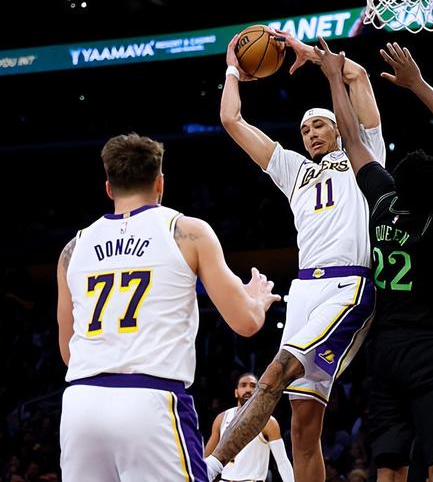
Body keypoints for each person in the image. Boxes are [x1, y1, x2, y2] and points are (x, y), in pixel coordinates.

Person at [206, 29, 385, 481]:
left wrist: (309, 54)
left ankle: (210, 467)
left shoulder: (364, 152)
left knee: (273, 374)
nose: (311, 133)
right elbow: (231, 120)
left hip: (348, 285)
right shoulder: (294, 170)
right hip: (304, 290)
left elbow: (359, 77)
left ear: (338, 127)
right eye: (305, 129)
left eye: (319, 125)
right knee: (303, 431)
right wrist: (233, 69)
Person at [57, 133, 280, 481]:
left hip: (80, 405)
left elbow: (68, 352)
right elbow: (246, 323)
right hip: (150, 401)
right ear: (160, 182)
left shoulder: (73, 249)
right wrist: (257, 300)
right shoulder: (187, 231)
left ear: (109, 188)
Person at [314, 38, 433, 481]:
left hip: (384, 350)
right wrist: (417, 83)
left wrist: (333, 78)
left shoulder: (384, 198)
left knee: (388, 468)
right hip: (431, 349)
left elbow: (351, 138)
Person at [204, 373, 294, 482]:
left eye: (253, 386)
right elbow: (206, 458)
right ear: (236, 392)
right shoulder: (221, 418)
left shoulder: (268, 421)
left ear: (259, 392)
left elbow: (282, 462)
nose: (248, 389)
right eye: (243, 385)